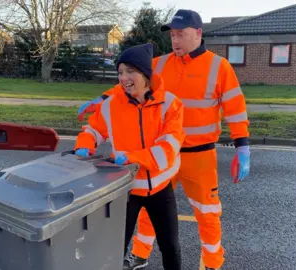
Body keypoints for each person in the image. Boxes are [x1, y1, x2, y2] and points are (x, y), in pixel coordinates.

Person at [76, 9, 251, 270]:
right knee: (150, 207)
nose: (175, 40)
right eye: (172, 35)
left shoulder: (218, 67)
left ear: (198, 34)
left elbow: (235, 108)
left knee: (207, 211)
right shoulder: (159, 64)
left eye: (181, 34)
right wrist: (102, 99)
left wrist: (243, 147)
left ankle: (213, 262)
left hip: (198, 155)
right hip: (159, 153)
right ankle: (140, 254)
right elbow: (132, 80)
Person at [74, 43, 185, 270]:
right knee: (114, 248)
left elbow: (167, 151)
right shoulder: (111, 105)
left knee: (171, 248)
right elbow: (94, 130)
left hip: (160, 188)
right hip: (125, 188)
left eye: (130, 71)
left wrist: (131, 157)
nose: (123, 78)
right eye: (120, 72)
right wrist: (85, 144)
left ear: (145, 74)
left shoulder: (171, 104)